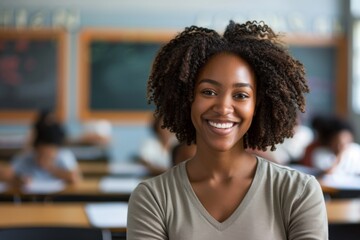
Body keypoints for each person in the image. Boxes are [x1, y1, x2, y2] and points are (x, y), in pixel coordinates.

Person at [127, 20, 328, 239]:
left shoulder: (298, 192)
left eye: (241, 95)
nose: (223, 108)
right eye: (208, 92)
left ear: (257, 105)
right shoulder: (153, 197)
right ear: (188, 99)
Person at [7, 122, 81, 185]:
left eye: (49, 155)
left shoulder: (64, 156)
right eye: (41, 154)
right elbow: (8, 174)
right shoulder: (26, 156)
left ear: (56, 149)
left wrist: (50, 168)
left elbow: (76, 178)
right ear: (36, 148)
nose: (44, 157)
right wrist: (18, 180)